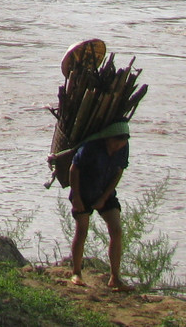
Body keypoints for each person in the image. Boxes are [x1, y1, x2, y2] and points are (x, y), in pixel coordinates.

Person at [68, 120, 132, 290]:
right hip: (83, 192)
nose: (118, 147)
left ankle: (115, 277)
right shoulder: (90, 148)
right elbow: (74, 170)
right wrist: (76, 198)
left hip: (105, 192)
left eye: (122, 143)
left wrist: (104, 197)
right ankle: (76, 272)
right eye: (116, 143)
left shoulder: (123, 148)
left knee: (116, 230)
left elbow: (119, 171)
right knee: (82, 231)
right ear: (108, 138)